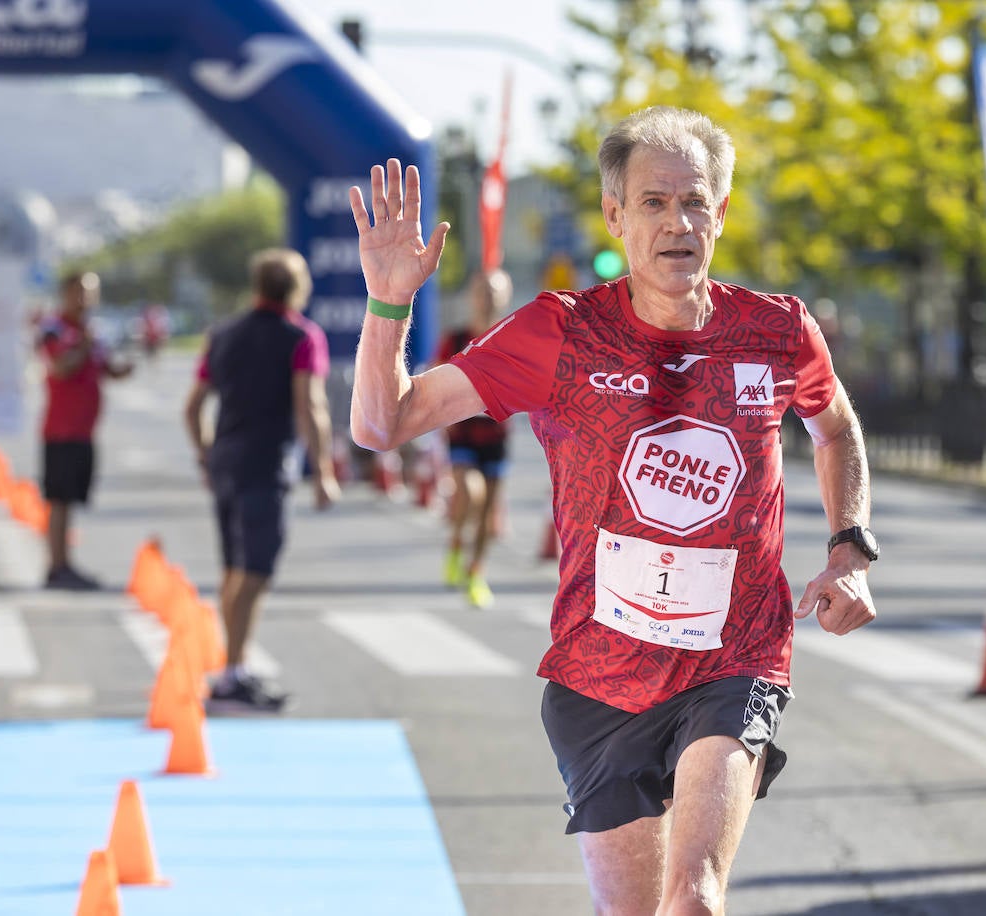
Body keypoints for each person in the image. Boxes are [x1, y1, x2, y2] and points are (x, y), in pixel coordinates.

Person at [349, 107, 878, 913]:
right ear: (615, 216)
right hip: (601, 674)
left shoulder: (775, 331)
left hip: (733, 659)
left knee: (694, 898)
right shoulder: (560, 335)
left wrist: (849, 549)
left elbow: (833, 423)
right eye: (655, 203)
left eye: (696, 202)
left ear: (722, 215)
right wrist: (389, 307)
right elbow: (384, 424)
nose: (678, 223)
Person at [183, 248, 340, 714]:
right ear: (296, 288)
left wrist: (204, 453)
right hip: (266, 463)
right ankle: (231, 675)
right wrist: (324, 470)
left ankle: (234, 667)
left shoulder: (222, 334)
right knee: (255, 573)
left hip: (227, 460)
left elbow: (192, 407)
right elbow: (309, 405)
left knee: (234, 568)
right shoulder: (302, 336)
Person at [36, 271, 133, 590]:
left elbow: (104, 369)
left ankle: (66, 562)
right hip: (60, 429)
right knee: (59, 500)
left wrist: (122, 370)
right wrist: (84, 346)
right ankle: (57, 565)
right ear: (65, 293)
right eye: (79, 292)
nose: (85, 299)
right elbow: (61, 368)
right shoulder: (54, 329)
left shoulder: (93, 330)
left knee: (73, 499)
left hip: (85, 430)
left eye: (91, 293)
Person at [435, 269, 514, 609]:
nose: (488, 298)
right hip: (463, 432)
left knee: (486, 515)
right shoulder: (456, 340)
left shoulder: (510, 339)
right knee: (471, 491)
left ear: (505, 298)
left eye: (495, 293)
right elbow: (437, 379)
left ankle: (476, 572)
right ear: (472, 296)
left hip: (495, 435)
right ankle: (455, 543)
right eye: (483, 291)